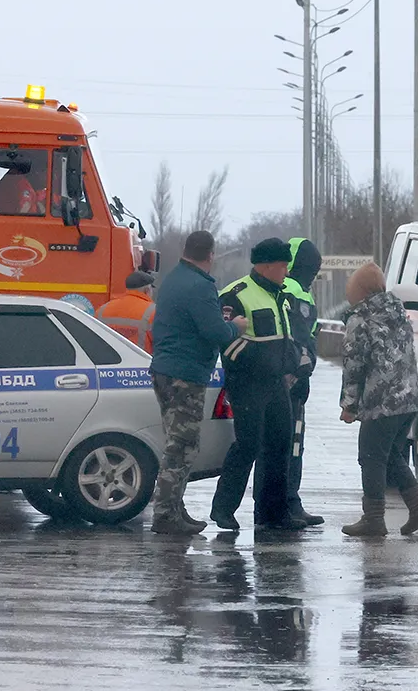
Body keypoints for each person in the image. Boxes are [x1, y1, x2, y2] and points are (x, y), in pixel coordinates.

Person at [148, 230, 247, 536]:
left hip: (164, 370)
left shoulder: (172, 280)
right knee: (182, 448)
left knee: (175, 442)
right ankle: (165, 514)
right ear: (211, 255)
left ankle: (175, 507)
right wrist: (236, 327)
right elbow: (214, 330)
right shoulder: (201, 287)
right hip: (185, 375)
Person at [210, 238, 307, 533]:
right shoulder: (236, 295)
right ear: (266, 266)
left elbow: (286, 337)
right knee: (248, 445)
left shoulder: (280, 296)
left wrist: (296, 361)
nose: (286, 271)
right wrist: (260, 361)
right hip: (247, 384)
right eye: (282, 265)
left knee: (280, 445)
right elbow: (227, 342)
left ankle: (273, 514)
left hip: (276, 384)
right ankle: (223, 509)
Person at [338, 263, 418, 538]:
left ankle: (373, 519)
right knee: (391, 455)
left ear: (359, 290)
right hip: (409, 399)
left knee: (370, 456)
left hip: (382, 401)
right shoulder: (398, 312)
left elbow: (354, 365)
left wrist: (349, 404)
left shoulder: (361, 318)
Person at [281, 237, 323, 526]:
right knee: (291, 445)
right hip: (292, 381)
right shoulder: (297, 293)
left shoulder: (292, 290)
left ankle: (288, 501)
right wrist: (302, 375)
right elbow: (301, 341)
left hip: (290, 379)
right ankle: (288, 502)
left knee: (289, 444)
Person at [97, 270, 158, 352]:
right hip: (140, 362)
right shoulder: (153, 312)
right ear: (147, 290)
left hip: (109, 362)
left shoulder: (102, 310)